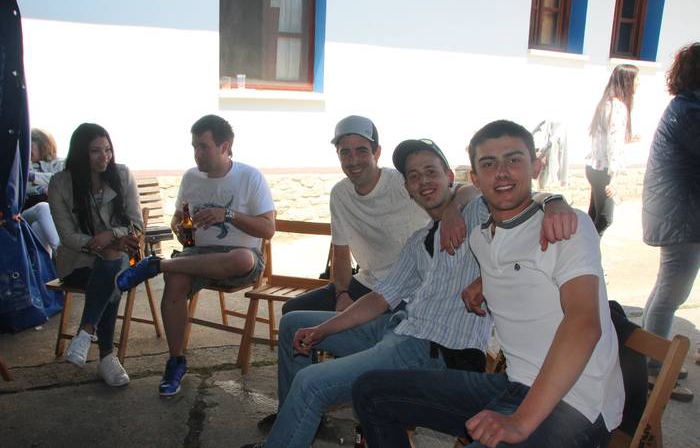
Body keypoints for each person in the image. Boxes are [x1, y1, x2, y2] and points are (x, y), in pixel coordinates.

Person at [241, 138, 578, 448]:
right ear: (408, 189)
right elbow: (380, 298)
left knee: (311, 382)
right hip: (398, 329)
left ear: (450, 176)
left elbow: (514, 196)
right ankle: (295, 423)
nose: (423, 181)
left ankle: (290, 429)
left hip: (432, 349)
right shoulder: (419, 241)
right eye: (414, 176)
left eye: (431, 172)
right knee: (295, 323)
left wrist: (554, 200)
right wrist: (323, 329)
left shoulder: (477, 213)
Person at [353, 120, 624, 448]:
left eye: (513, 160)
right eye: (489, 164)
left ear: (536, 166)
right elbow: (516, 255)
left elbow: (584, 324)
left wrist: (520, 423)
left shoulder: (565, 225)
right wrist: (484, 280)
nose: (502, 173)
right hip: (515, 384)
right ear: (476, 178)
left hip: (577, 402)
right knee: (370, 390)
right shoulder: (482, 238)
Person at [115, 114, 275, 396]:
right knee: (175, 280)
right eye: (194, 146)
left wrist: (228, 215)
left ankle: (157, 264)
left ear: (224, 147)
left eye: (203, 147)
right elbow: (178, 217)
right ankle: (176, 361)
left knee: (241, 259)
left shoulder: (250, 176)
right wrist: (178, 227)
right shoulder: (191, 177)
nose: (197, 154)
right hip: (197, 254)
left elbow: (268, 229)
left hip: (238, 258)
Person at [282, 115, 476, 315]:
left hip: (410, 286)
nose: (353, 160)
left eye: (361, 150)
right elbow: (341, 254)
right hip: (368, 282)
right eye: (345, 152)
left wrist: (453, 210)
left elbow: (471, 190)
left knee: (373, 324)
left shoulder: (404, 181)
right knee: (292, 309)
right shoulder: (340, 194)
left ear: (377, 152)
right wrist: (342, 294)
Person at [48, 123, 142, 386]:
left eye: (108, 150)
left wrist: (111, 235)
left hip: (122, 254)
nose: (105, 157)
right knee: (112, 272)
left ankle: (85, 333)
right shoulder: (60, 183)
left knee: (113, 263)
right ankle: (106, 357)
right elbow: (67, 236)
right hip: (78, 260)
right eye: (95, 151)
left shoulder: (122, 175)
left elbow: (136, 225)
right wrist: (97, 243)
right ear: (81, 153)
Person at [642, 43, 700, 386]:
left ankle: (648, 356)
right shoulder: (690, 111)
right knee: (672, 293)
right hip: (682, 216)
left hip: (679, 212)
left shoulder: (687, 106)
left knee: (666, 288)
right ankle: (653, 367)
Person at [586, 63, 639, 235]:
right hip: (604, 171)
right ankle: (586, 250)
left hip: (594, 168)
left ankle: (583, 248)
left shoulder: (605, 103)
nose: (638, 83)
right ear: (627, 81)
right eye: (636, 79)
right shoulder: (618, 107)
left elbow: (605, 138)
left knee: (594, 216)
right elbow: (613, 145)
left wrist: (627, 139)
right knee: (604, 218)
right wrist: (613, 179)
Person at [22, 128, 63, 254]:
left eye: (30, 145)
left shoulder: (60, 163)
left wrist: (33, 177)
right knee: (43, 207)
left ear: (42, 143)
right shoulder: (24, 166)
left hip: (57, 217)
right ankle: (61, 252)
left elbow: (61, 179)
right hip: (28, 213)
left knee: (38, 227)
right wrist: (41, 189)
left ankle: (45, 265)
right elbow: (22, 187)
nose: (26, 149)